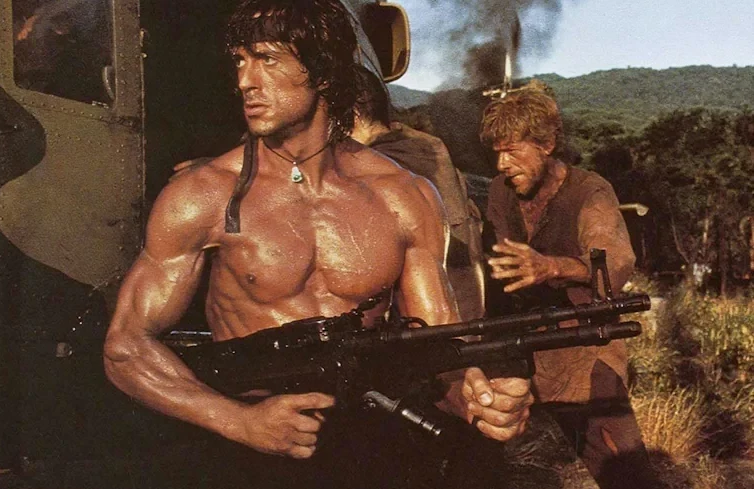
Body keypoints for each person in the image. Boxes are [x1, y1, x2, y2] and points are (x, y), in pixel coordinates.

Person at [103, 1, 532, 488]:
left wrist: (478, 399)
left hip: (369, 443)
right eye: (240, 61)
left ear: (324, 72)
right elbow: (125, 346)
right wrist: (237, 421)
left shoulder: (403, 195)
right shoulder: (202, 196)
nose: (245, 81)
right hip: (250, 455)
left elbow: (438, 349)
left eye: (267, 59)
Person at [479, 86, 658, 489]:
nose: (502, 164)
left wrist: (550, 268)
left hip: (582, 349)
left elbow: (614, 263)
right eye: (496, 153)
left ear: (546, 145)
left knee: (623, 470)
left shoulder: (590, 191)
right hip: (512, 343)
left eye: (512, 151)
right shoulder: (498, 190)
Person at [351, 67, 485, 322]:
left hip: (430, 319)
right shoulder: (425, 149)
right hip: (461, 312)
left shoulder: (384, 165)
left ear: (354, 113)